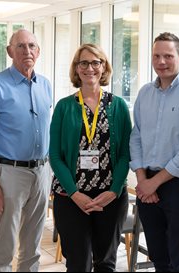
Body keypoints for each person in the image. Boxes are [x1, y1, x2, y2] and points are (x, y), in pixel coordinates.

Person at [129, 32, 179, 272]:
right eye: (156, 56)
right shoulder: (145, 93)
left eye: (168, 55)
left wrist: (153, 183)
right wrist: (144, 180)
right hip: (148, 182)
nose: (161, 61)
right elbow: (136, 138)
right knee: (158, 255)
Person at [0, 29, 52, 272]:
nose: (27, 51)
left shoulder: (45, 85)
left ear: (38, 51)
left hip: (42, 171)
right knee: (6, 242)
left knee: (33, 243)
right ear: (10, 51)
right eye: (20, 46)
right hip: (10, 172)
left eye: (31, 46)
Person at [49, 43, 131, 272]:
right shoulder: (64, 107)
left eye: (96, 62)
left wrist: (114, 191)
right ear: (76, 69)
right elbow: (55, 155)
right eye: (83, 63)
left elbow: (126, 153)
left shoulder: (118, 106)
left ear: (104, 67)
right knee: (78, 264)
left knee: (106, 263)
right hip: (71, 197)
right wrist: (75, 194)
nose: (90, 68)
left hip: (110, 198)